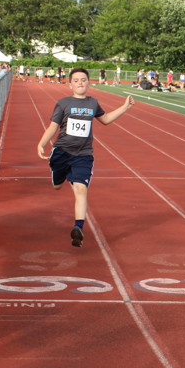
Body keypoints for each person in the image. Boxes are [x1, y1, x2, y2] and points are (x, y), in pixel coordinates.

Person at [35, 68, 134, 247]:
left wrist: (125, 107)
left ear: (88, 82)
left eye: (83, 79)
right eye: (76, 80)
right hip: (62, 152)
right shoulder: (63, 103)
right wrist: (41, 143)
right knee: (57, 185)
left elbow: (105, 119)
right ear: (70, 84)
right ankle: (61, 176)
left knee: (81, 189)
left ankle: (78, 228)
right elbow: (53, 126)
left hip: (83, 154)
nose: (80, 82)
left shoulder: (93, 103)